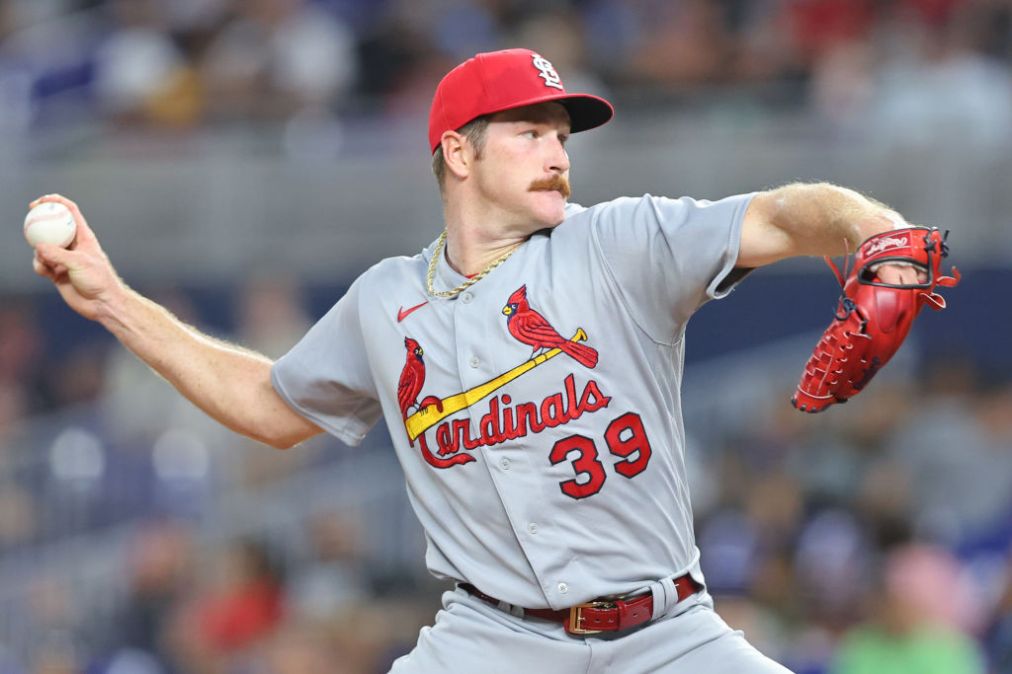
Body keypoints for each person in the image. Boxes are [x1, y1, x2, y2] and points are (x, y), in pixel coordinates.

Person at [31, 48, 927, 674]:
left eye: (563, 137)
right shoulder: (385, 301)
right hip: (492, 641)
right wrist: (111, 298)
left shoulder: (619, 243)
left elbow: (782, 213)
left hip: (666, 633)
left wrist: (874, 234)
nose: (558, 154)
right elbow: (269, 405)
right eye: (529, 133)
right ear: (458, 151)